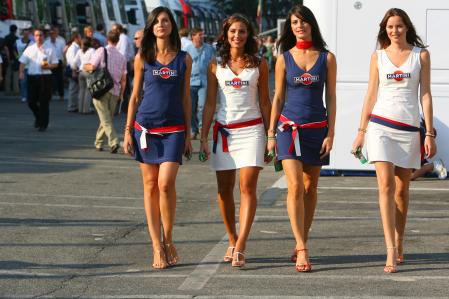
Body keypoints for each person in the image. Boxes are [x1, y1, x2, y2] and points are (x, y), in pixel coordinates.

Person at [352, 8, 436, 273]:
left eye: (399, 26)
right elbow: (370, 95)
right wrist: (361, 131)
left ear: (407, 27)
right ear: (384, 30)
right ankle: (389, 248)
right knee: (386, 185)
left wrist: (430, 133)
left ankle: (400, 240)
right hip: (380, 126)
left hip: (409, 129)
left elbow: (426, 95)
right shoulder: (377, 56)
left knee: (402, 190)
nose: (394, 31)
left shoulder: (420, 55)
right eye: (390, 27)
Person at [266, 4, 336, 272]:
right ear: (290, 27)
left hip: (317, 130)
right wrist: (271, 133)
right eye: (294, 22)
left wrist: (331, 132)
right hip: (287, 129)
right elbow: (279, 97)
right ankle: (303, 248)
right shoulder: (283, 58)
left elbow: (331, 97)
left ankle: (300, 240)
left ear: (311, 25)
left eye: (303, 21)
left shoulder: (327, 58)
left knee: (310, 188)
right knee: (294, 186)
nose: (299, 26)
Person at [122, 6, 192, 269]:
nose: (161, 25)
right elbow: (135, 96)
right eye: (157, 22)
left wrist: (188, 133)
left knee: (165, 184)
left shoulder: (184, 59)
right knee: (150, 186)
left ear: (172, 25)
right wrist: (128, 130)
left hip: (174, 130)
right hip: (145, 129)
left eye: (166, 21)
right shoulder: (143, 57)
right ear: (151, 28)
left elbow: (186, 98)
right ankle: (156, 245)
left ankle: (169, 238)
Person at [200, 14, 272, 268]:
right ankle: (232, 238)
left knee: (247, 187)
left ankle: (241, 244)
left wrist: (270, 135)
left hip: (252, 130)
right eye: (233, 31)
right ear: (225, 34)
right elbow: (210, 103)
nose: (237, 36)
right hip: (223, 132)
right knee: (224, 189)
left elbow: (265, 101)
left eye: (242, 31)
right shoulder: (214, 64)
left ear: (249, 35)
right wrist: (202, 135)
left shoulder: (259, 64)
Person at [84, 30, 127, 153]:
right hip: (115, 90)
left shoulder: (101, 51)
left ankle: (114, 142)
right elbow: (124, 79)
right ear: (118, 40)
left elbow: (92, 67)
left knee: (105, 119)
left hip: (101, 88)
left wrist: (84, 66)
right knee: (107, 118)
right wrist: (122, 94)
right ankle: (98, 142)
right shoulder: (122, 57)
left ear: (107, 39)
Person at [18, 27, 59, 131]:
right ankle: (38, 117)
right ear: (34, 36)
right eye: (36, 35)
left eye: (40, 35)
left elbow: (55, 64)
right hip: (32, 77)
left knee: (43, 101)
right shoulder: (30, 48)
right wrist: (21, 72)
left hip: (45, 77)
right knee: (31, 102)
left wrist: (48, 66)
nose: (39, 37)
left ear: (44, 36)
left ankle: (43, 124)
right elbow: (22, 62)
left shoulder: (50, 48)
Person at [184, 27, 215, 139]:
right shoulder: (187, 49)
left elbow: (213, 64)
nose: (202, 37)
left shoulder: (209, 48)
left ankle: (202, 128)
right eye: (200, 35)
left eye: (203, 35)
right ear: (193, 36)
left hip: (205, 81)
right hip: (191, 82)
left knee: (202, 105)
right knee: (191, 107)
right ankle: (193, 128)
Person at [73, 37, 95, 114]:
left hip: (81, 72)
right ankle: (86, 109)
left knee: (81, 90)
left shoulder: (79, 51)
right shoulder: (92, 50)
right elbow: (94, 62)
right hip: (88, 72)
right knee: (88, 91)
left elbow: (74, 62)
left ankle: (80, 108)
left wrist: (75, 70)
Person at [44, 26, 66, 101]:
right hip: (50, 62)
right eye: (51, 34)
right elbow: (44, 53)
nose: (52, 35)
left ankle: (61, 95)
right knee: (50, 79)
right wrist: (45, 63)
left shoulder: (61, 41)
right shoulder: (46, 42)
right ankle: (49, 95)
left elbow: (63, 52)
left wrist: (64, 61)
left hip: (59, 61)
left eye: (54, 33)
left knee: (60, 79)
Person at [16, 28, 34, 102]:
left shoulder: (32, 42)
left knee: (30, 82)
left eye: (27, 34)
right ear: (22, 34)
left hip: (30, 65)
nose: (26, 35)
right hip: (22, 64)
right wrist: (17, 57)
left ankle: (30, 96)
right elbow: (13, 49)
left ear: (29, 34)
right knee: (23, 81)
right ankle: (24, 96)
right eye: (24, 34)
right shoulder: (17, 41)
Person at [65, 32, 81, 112]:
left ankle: (74, 105)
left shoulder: (75, 47)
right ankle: (71, 106)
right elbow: (72, 61)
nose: (81, 39)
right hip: (72, 68)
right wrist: (74, 71)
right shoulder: (73, 48)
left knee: (74, 88)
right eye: (79, 37)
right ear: (76, 38)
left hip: (73, 68)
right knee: (73, 88)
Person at [4, 24, 19, 95]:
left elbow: (5, 49)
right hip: (15, 58)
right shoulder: (17, 38)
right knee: (15, 75)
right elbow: (17, 50)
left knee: (8, 75)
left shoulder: (6, 38)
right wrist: (17, 58)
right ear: (15, 30)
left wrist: (8, 58)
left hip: (8, 58)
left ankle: (7, 91)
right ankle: (16, 90)